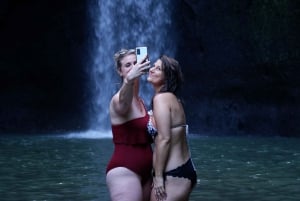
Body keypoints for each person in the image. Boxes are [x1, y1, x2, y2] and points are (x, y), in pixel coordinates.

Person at [147, 55, 197, 201]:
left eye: (158, 69)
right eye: (153, 66)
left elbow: (164, 139)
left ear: (167, 77)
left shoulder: (161, 99)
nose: (152, 70)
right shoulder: (174, 99)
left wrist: (157, 177)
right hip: (182, 169)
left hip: (173, 173)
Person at [106, 48, 153, 201]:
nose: (133, 67)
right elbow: (123, 104)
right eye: (128, 65)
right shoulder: (118, 99)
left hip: (148, 173)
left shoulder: (141, 101)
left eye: (135, 63)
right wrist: (129, 80)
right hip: (124, 171)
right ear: (120, 71)